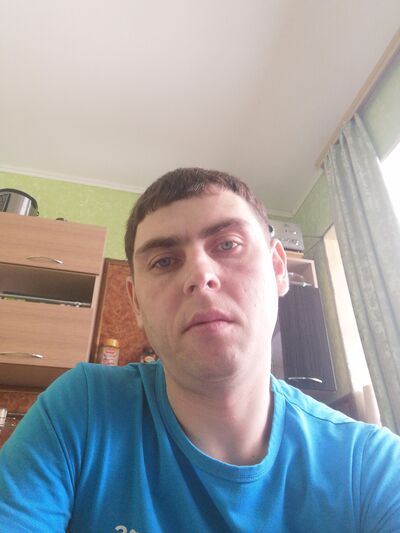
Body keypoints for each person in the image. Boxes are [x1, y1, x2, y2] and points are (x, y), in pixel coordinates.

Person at [0, 167, 399, 532]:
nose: (200, 275)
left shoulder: (371, 467)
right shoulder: (81, 410)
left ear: (279, 268)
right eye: (164, 261)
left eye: (228, 244)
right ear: (135, 302)